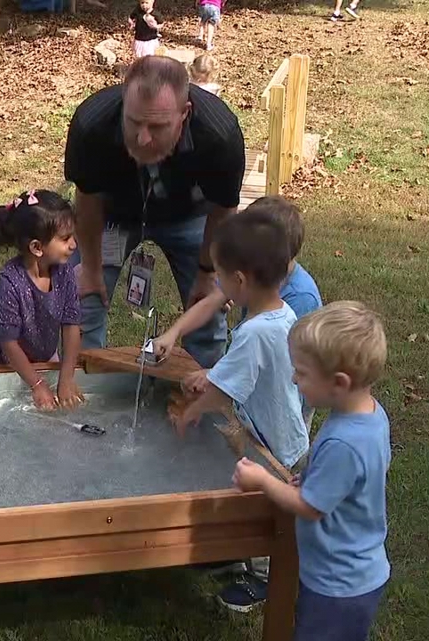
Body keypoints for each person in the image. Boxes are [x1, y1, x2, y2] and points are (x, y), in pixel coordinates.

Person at [155, 205, 310, 612]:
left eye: (221, 276)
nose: (218, 283)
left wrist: (191, 412)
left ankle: (263, 576)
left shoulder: (256, 332)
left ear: (239, 281)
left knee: (268, 507)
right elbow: (241, 373)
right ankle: (238, 552)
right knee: (249, 492)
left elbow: (223, 393)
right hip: (280, 430)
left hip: (275, 443)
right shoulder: (279, 311)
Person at [65, 55, 246, 369]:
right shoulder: (92, 123)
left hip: (191, 216)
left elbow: (224, 208)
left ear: (184, 114)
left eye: (158, 126)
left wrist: (207, 273)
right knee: (83, 295)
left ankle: (202, 392)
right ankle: (83, 384)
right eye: (134, 122)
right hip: (113, 217)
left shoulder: (219, 134)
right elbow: (88, 198)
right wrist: (92, 267)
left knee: (206, 305)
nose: (142, 137)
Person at [234, 301, 391, 641]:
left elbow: (310, 507)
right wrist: (312, 479)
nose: (293, 378)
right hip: (352, 572)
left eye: (302, 373)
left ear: (339, 382)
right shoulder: (369, 415)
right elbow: (348, 482)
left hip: (338, 582)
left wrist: (262, 480)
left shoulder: (345, 443)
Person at [153, 196, 322, 423]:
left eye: (222, 275)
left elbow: (282, 367)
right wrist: (174, 333)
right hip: (259, 396)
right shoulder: (258, 279)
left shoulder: (300, 299)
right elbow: (211, 301)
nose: (221, 281)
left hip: (289, 403)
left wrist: (215, 378)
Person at [0, 189, 84, 410]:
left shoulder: (64, 272)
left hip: (46, 354)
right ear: (37, 247)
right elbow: (9, 343)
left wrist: (66, 377)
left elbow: (71, 325)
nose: (73, 245)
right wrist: (37, 384)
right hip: (10, 363)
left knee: (58, 412)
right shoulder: (10, 281)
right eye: (65, 239)